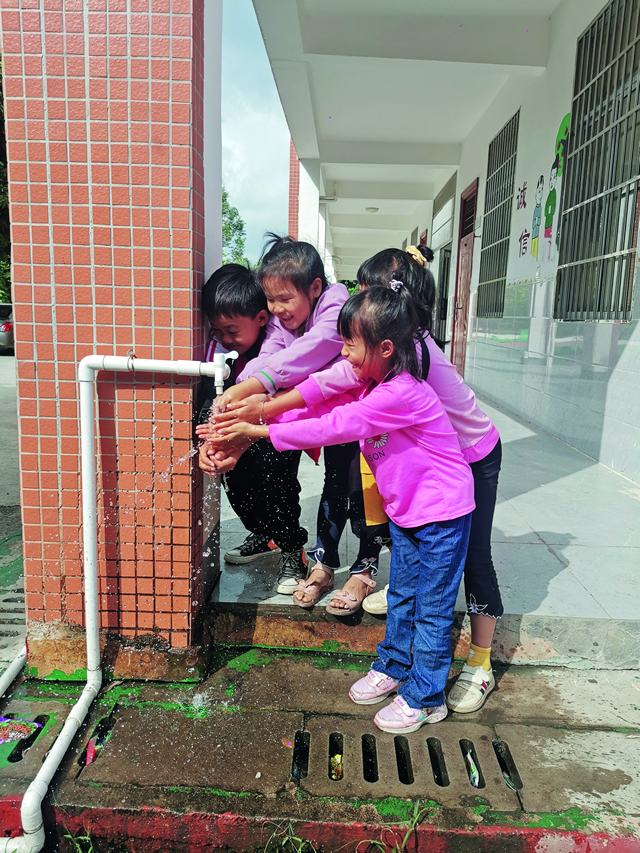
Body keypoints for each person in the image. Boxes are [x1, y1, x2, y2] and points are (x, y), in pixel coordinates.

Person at [203, 286, 475, 733]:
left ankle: (426, 696)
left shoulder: (400, 394)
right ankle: (392, 667)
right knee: (403, 595)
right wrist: (257, 423)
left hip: (442, 515)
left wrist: (258, 430)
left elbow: (335, 426)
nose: (343, 353)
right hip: (409, 514)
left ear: (385, 348)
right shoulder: (374, 382)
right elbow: (323, 402)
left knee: (432, 605)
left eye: (350, 342)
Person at [355, 245, 503, 715]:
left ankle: (480, 663)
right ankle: (398, 660)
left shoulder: (415, 353)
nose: (360, 310)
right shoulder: (397, 349)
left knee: (475, 558)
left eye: (368, 297)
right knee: (415, 568)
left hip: (476, 457)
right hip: (444, 464)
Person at [207, 233, 388, 612]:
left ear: (315, 287)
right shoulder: (280, 323)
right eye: (270, 300)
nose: (276, 309)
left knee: (366, 494)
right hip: (321, 412)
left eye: (284, 299)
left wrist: (255, 396)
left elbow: (317, 349)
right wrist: (242, 393)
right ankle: (323, 563)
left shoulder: (336, 303)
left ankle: (365, 567)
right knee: (336, 488)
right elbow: (268, 359)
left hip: (358, 416)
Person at [197, 262, 309, 594]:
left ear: (261, 319)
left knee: (278, 486)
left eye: (231, 331)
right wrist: (208, 439)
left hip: (274, 434)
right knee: (239, 486)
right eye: (216, 331)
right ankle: (263, 533)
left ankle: (292, 548)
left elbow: (295, 395)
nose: (224, 338)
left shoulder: (281, 347)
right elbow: (209, 401)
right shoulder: (220, 354)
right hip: (238, 437)